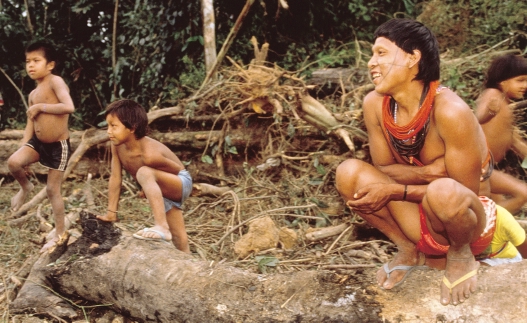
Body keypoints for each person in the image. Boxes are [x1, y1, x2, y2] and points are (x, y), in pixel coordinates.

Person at [335, 18, 501, 306]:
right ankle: (409, 249)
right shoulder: (375, 104)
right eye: (373, 54)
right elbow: (384, 168)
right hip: (418, 217)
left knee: (445, 191)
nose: (371, 63)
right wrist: (429, 172)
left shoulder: (451, 111)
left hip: (467, 227)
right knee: (348, 173)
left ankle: (461, 256)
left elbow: (463, 193)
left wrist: (398, 190)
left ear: (413, 57)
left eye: (382, 53)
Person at [96, 99, 192, 253]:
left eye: (114, 126)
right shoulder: (117, 146)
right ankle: (191, 268)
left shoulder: (149, 154)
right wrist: (111, 213)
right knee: (179, 237)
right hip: (162, 184)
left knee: (144, 172)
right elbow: (115, 178)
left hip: (181, 181)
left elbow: (177, 169)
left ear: (132, 128)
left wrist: (153, 184)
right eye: (108, 126)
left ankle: (161, 227)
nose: (108, 131)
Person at [7, 41, 75, 253]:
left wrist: (41, 107)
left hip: (58, 146)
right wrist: (23, 147)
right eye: (28, 61)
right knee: (13, 162)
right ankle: (25, 187)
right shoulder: (32, 94)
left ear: (50, 65)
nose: (31, 65)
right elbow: (30, 122)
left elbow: (69, 106)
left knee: (52, 189)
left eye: (37, 61)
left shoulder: (56, 82)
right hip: (37, 143)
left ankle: (60, 232)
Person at [475, 54, 527, 215]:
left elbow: (515, 143)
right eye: (520, 80)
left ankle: (492, 228)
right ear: (502, 82)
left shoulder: (504, 104)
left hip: (486, 169)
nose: (525, 85)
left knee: (496, 205)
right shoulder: (493, 94)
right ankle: (489, 225)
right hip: (476, 168)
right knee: (523, 194)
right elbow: (476, 119)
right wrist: (489, 112)